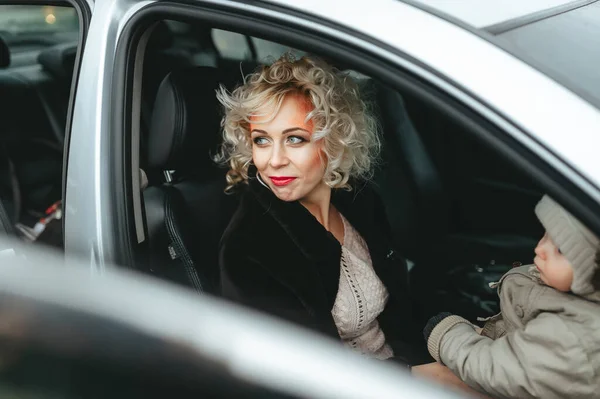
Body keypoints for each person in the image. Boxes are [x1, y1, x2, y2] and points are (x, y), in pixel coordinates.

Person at [215, 54, 428, 366]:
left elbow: (401, 312)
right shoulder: (248, 247)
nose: (274, 160)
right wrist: (413, 376)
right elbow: (296, 373)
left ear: (334, 140)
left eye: (295, 139)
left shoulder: (360, 202)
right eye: (261, 140)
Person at [423, 195, 600, 399]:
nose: (539, 248)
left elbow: (494, 370)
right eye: (545, 235)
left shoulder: (574, 339)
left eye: (560, 249)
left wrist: (447, 334)